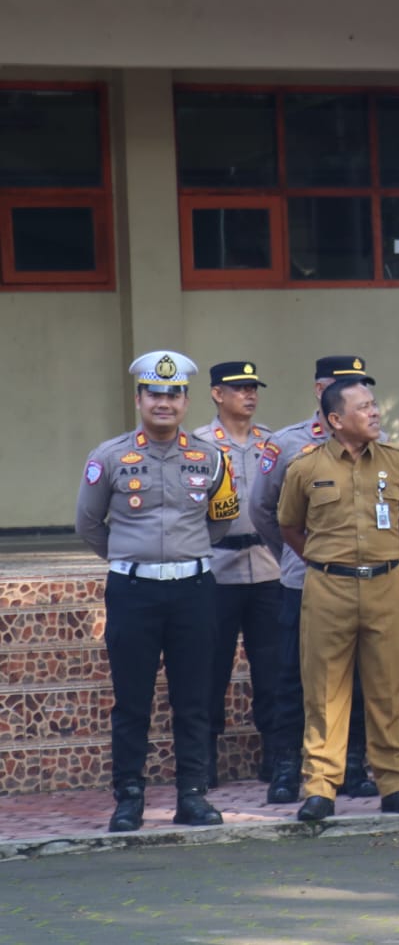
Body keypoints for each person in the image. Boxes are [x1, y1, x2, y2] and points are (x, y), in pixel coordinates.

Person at [76, 350, 237, 832]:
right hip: (132, 592)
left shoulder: (210, 457)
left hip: (193, 589)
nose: (163, 402)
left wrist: (184, 556)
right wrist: (133, 558)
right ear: (139, 397)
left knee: (193, 697)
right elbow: (88, 523)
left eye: (173, 394)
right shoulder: (109, 456)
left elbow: (223, 518)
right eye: (155, 393)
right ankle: (129, 797)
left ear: (186, 401)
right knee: (132, 700)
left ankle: (192, 794)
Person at [277, 377, 399, 822]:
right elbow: (289, 527)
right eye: (364, 407)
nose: (375, 412)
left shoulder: (396, 462)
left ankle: (394, 784)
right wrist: (327, 562)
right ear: (335, 419)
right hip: (329, 588)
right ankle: (321, 788)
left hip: (384, 585)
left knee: (386, 688)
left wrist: (379, 558)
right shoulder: (305, 468)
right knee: (325, 691)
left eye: (375, 404)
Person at [250, 356, 377, 804]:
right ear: (320, 390)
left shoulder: (376, 446)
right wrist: (299, 553)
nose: (361, 398)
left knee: (358, 678)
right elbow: (264, 511)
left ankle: (354, 766)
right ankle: (287, 769)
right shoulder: (287, 445)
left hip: (361, 583)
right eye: (347, 387)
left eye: (364, 389)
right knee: (293, 677)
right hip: (303, 583)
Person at [201, 360, 283, 788]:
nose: (249, 395)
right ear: (217, 394)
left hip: (267, 569)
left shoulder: (271, 442)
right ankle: (205, 757)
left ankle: (275, 754)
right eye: (238, 389)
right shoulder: (198, 444)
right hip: (217, 571)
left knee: (271, 665)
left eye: (253, 387)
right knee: (210, 667)